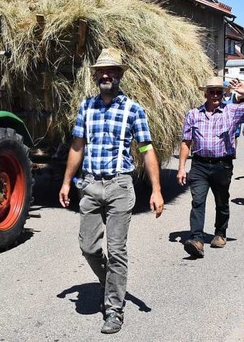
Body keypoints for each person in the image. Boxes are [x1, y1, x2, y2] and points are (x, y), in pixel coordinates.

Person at [58, 48, 164, 334]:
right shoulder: (86, 107)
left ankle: (114, 309)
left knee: (116, 250)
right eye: (102, 71)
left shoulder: (133, 109)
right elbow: (77, 146)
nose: (106, 75)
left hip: (119, 185)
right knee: (88, 247)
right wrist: (68, 181)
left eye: (112, 71)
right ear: (95, 76)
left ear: (119, 75)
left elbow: (146, 149)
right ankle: (111, 283)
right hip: (90, 185)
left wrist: (156, 190)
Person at [177, 77, 244, 258]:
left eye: (219, 92)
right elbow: (186, 142)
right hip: (199, 164)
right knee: (197, 201)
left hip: (222, 165)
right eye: (212, 92)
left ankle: (220, 233)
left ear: (223, 94)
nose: (215, 95)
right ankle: (197, 239)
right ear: (205, 93)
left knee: (221, 201)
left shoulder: (232, 111)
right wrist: (182, 167)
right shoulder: (193, 114)